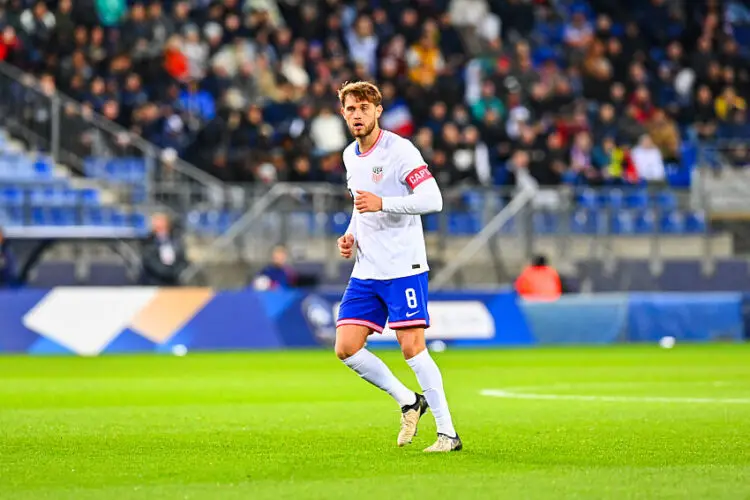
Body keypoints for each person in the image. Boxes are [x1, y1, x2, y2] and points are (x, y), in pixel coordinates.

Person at [334, 81, 461, 453]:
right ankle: (409, 401)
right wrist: (350, 234)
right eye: (350, 109)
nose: (357, 115)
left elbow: (432, 199)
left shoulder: (400, 150)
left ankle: (448, 433)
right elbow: (361, 205)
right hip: (366, 269)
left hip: (403, 265)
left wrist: (384, 203)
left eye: (363, 108)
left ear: (377, 110)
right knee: (346, 347)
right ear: (343, 113)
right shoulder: (349, 156)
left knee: (412, 348)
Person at [140, 213, 188, 286]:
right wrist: (168, 272)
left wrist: (176, 271)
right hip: (155, 282)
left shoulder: (176, 240)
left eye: (163, 223)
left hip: (174, 282)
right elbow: (151, 262)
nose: (160, 227)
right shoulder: (147, 242)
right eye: (158, 225)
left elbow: (182, 259)